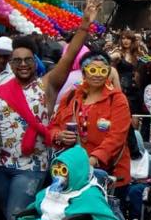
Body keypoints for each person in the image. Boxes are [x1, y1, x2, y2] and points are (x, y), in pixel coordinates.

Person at [0, 0, 101, 220]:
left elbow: (68, 58)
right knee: (7, 216)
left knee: (15, 217)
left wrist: (85, 25)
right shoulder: (0, 92)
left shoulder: (46, 85)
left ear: (35, 61)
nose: (23, 64)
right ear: (10, 64)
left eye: (28, 59)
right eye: (17, 60)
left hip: (31, 168)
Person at [50, 51, 132, 187]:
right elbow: (54, 126)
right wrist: (59, 135)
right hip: (73, 171)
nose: (98, 74)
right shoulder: (71, 96)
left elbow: (117, 136)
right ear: (84, 72)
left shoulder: (117, 99)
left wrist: (93, 159)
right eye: (93, 70)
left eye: (103, 70)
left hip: (109, 173)